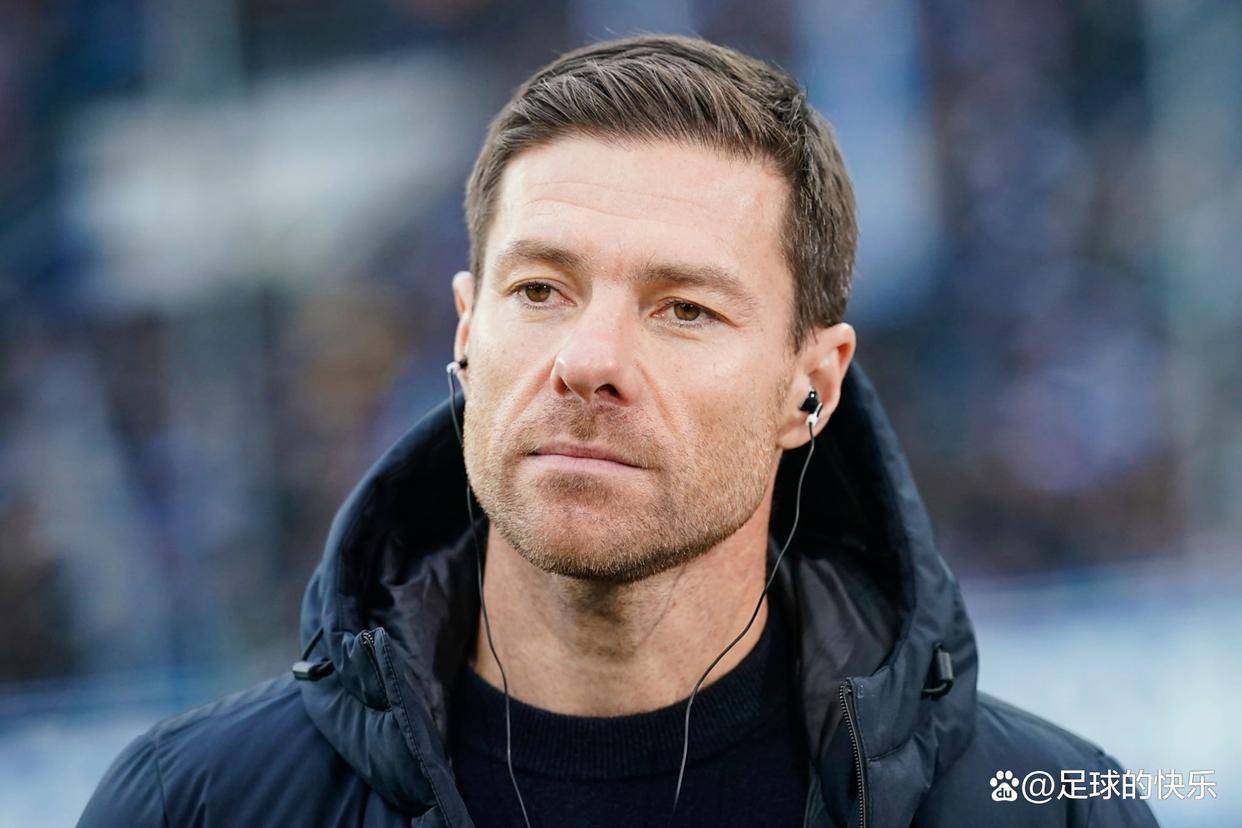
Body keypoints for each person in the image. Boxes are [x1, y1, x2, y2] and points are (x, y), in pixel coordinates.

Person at [79, 34, 1159, 828]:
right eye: (541, 290)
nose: (588, 359)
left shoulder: (1054, 811)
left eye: (683, 308)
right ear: (465, 334)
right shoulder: (195, 807)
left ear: (812, 387)